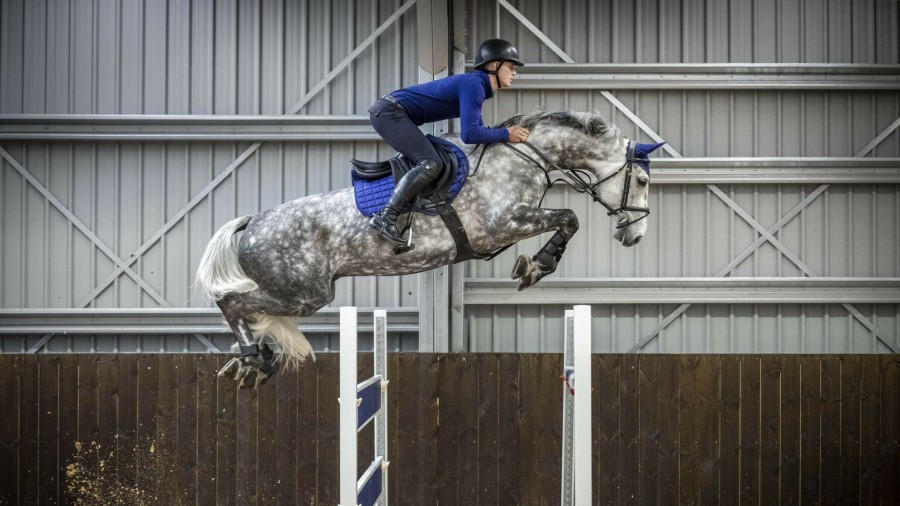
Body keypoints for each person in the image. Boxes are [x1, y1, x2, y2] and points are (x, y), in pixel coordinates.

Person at [366, 38, 531, 249]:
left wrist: (500, 136)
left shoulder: (476, 86)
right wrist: (506, 134)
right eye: (510, 66)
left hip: (392, 113)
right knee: (430, 163)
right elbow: (470, 134)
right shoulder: (474, 85)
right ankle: (385, 218)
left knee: (434, 160)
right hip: (389, 113)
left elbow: (478, 133)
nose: (514, 72)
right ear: (493, 65)